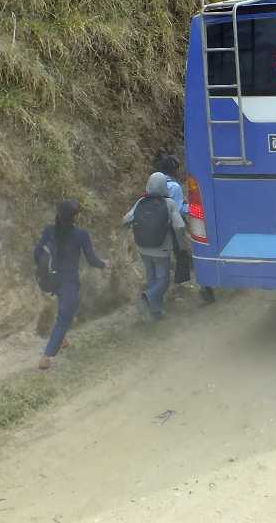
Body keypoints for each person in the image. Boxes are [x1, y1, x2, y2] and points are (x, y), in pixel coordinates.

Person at [34, 199, 109, 371]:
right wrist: (104, 264)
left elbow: (37, 253)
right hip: (69, 282)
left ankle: (63, 340)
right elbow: (91, 260)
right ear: (74, 217)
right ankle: (46, 357)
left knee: (64, 310)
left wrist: (46, 271)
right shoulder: (81, 235)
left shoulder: (49, 231)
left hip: (51, 280)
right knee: (64, 318)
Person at [123, 172, 185, 320]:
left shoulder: (141, 201)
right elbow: (180, 226)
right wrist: (181, 244)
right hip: (161, 249)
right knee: (163, 281)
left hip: (143, 248)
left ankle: (155, 313)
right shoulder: (169, 203)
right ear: (164, 186)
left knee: (151, 278)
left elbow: (126, 219)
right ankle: (146, 298)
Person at [155, 153, 215, 303]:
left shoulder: (155, 183)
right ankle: (200, 289)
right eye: (177, 168)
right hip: (175, 227)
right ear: (173, 169)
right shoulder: (174, 186)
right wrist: (196, 207)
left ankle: (177, 289)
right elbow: (178, 209)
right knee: (191, 252)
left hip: (159, 228)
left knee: (178, 256)